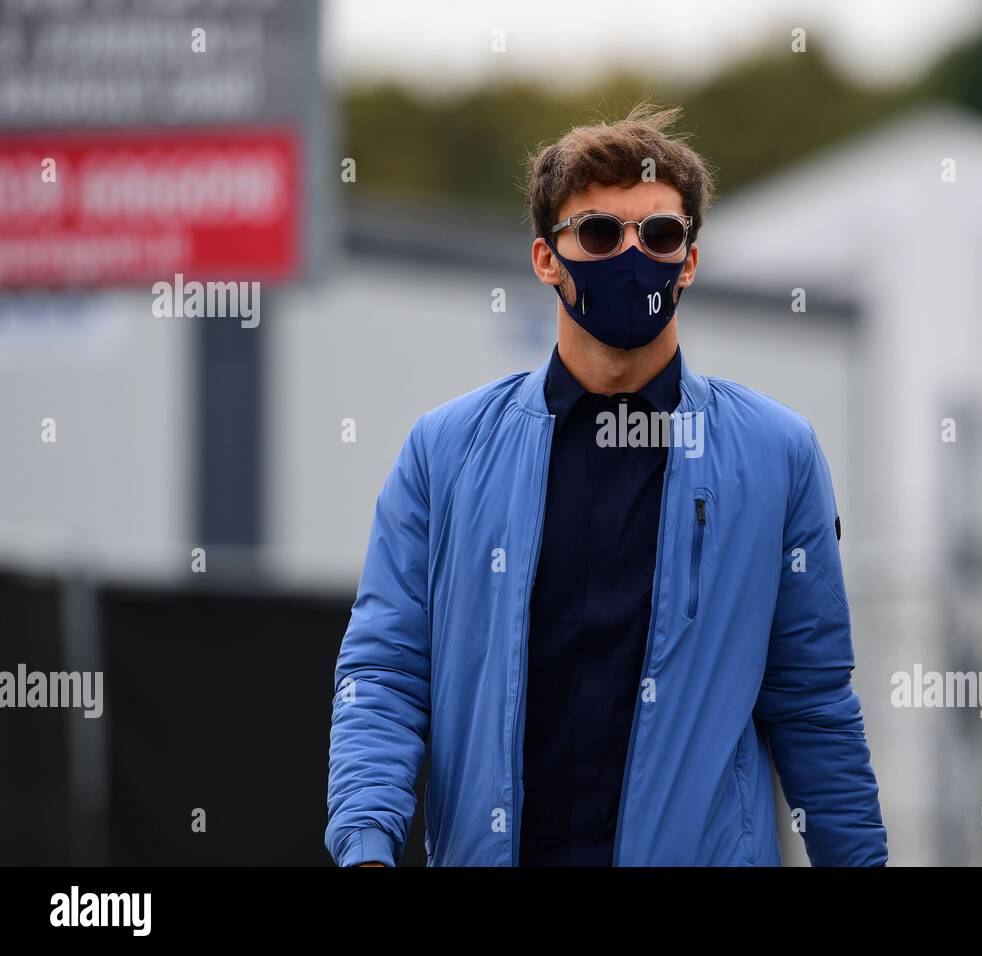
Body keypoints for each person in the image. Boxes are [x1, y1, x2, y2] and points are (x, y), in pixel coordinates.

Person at [326, 102, 887, 867]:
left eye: (658, 235)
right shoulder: (444, 451)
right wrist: (365, 846)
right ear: (544, 258)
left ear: (689, 260)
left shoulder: (777, 454)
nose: (632, 255)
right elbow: (386, 672)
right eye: (598, 232)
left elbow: (813, 703)